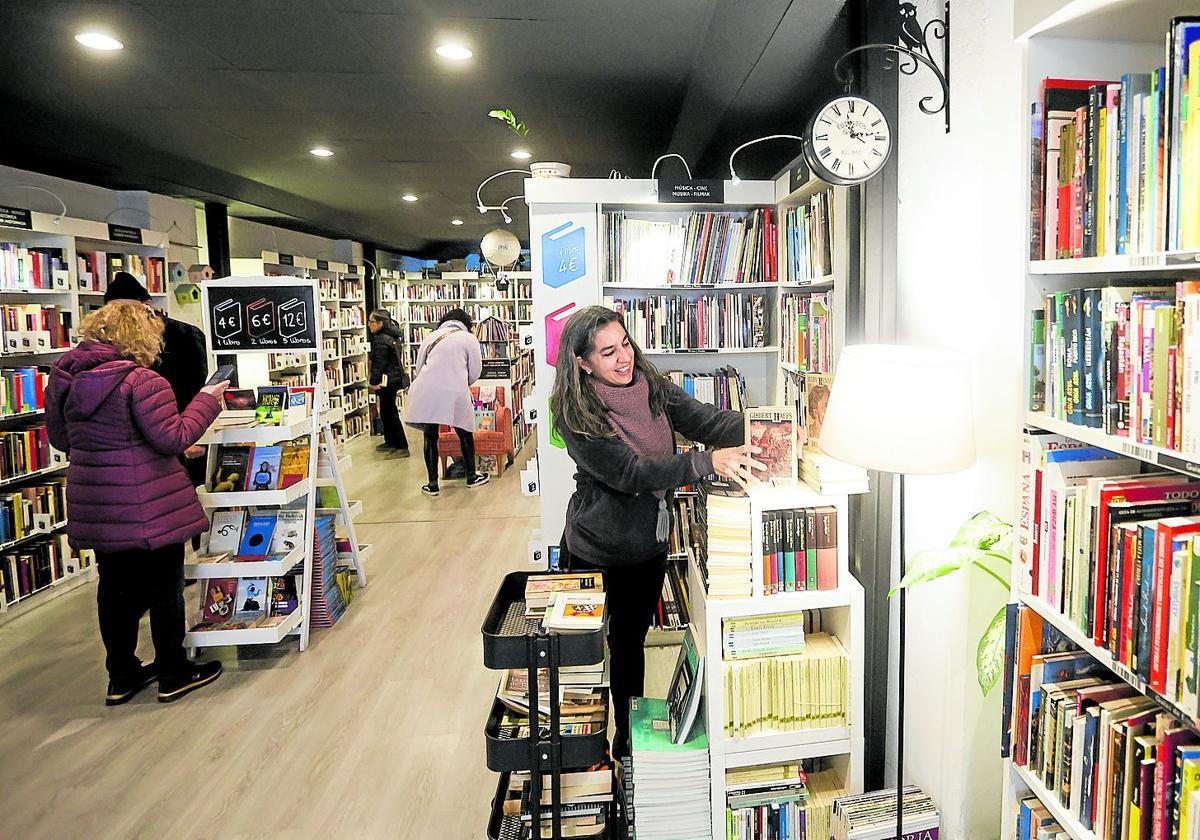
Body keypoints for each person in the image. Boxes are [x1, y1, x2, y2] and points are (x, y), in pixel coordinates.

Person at [549, 305, 766, 757]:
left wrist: (769, 427)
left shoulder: (651, 384)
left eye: (624, 343)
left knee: (630, 646)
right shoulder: (571, 411)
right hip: (594, 549)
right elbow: (630, 473)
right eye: (608, 353)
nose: (623, 357)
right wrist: (707, 461)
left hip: (645, 547)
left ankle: (625, 747)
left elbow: (705, 420)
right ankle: (579, 751)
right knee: (583, 659)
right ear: (582, 362)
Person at [46, 300, 229, 706]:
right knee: (166, 586)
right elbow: (173, 438)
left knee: (114, 587)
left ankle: (121, 675)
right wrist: (207, 399)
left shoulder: (65, 379)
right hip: (148, 500)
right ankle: (173, 672)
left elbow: (61, 440)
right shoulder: (143, 381)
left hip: (97, 500)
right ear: (139, 335)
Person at [104, 272, 209, 488]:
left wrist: (190, 434)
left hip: (176, 435)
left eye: (128, 310)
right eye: (114, 311)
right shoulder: (104, 342)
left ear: (148, 306)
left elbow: (195, 386)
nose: (122, 317)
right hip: (131, 450)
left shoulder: (184, 335)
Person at [404, 307, 489, 496]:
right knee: (464, 433)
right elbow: (475, 370)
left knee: (430, 436)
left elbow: (419, 367)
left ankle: (432, 484)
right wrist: (460, 381)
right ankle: (471, 476)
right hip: (455, 391)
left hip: (427, 390)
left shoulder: (431, 336)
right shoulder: (468, 338)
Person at [366, 309, 411, 457]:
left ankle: (401, 446)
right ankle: (391, 441)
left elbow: (379, 363)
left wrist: (373, 382)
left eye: (371, 322)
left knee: (390, 412)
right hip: (394, 378)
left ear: (380, 323)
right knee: (386, 411)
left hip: (388, 380)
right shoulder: (391, 336)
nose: (368, 325)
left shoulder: (381, 340)